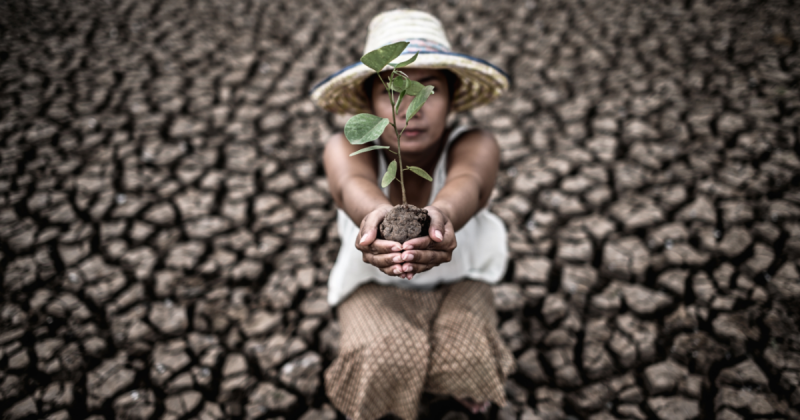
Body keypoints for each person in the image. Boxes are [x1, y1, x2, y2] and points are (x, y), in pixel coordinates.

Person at [310, 9, 514, 420]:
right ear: (368, 101)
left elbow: (469, 184)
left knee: (466, 354)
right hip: (374, 284)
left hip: (459, 278)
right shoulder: (347, 146)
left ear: (453, 97)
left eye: (429, 91)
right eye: (391, 92)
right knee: (383, 355)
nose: (411, 109)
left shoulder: (475, 143)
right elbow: (353, 186)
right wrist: (377, 216)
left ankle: (459, 388)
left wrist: (442, 215)